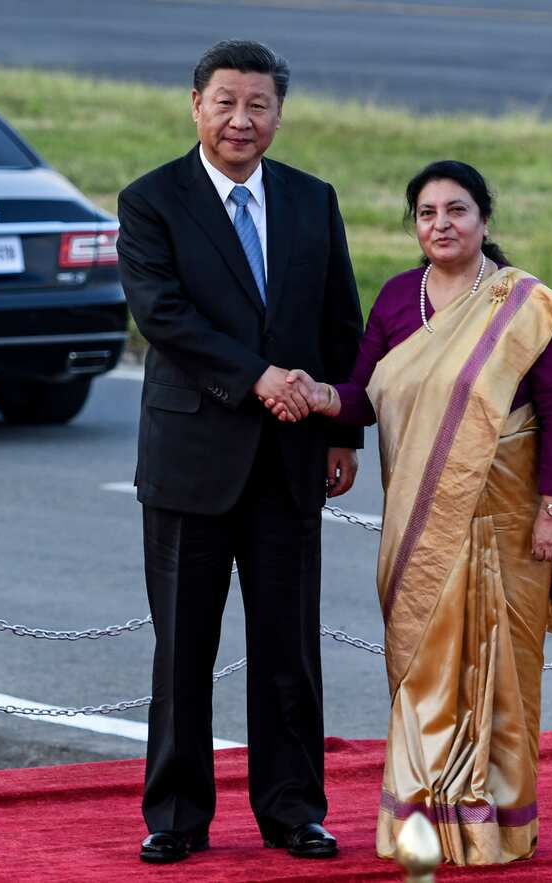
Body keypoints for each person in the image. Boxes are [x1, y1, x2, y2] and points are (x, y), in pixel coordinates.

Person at [270, 161, 552, 866]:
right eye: (427, 213)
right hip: (420, 519)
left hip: (509, 519)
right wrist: (320, 397)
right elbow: (365, 393)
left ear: (484, 219)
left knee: (502, 669)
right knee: (421, 660)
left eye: (456, 210)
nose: (441, 225)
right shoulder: (398, 299)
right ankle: (421, 818)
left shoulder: (521, 304)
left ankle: (497, 824)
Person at [116, 40, 363, 865]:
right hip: (192, 459)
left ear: (279, 114)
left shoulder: (312, 200)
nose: (241, 120)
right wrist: (260, 377)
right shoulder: (152, 200)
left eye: (258, 105)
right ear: (196, 105)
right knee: (183, 647)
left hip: (293, 460)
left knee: (289, 648)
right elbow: (165, 315)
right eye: (225, 102)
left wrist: (340, 430)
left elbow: (340, 325)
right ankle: (176, 814)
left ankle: (293, 808)